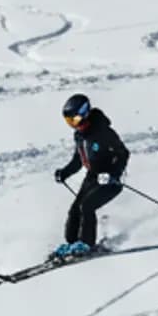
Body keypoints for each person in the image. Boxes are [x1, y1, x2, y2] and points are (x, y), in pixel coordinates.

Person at [52, 93, 129, 260]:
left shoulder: (104, 131)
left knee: (87, 206)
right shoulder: (79, 135)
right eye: (69, 122)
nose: (74, 125)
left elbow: (123, 153)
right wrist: (64, 172)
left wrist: (113, 174)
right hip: (92, 177)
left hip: (111, 181)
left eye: (75, 120)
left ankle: (87, 244)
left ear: (85, 113)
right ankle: (72, 244)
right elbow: (78, 160)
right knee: (74, 210)